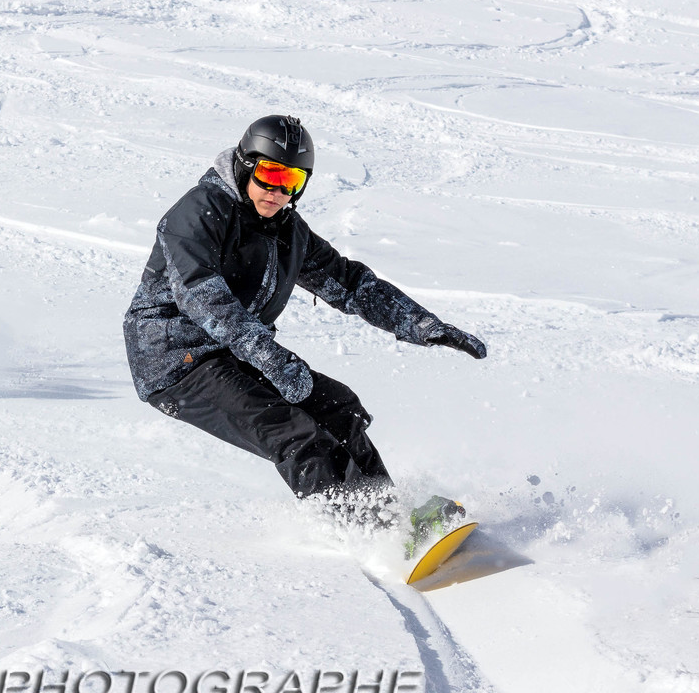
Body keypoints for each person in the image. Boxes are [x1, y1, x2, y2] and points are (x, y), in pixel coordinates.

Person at [123, 114, 486, 523]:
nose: (277, 191)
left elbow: (349, 283)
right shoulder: (201, 211)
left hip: (233, 352)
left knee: (340, 408)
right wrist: (273, 359)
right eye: (270, 173)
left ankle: (388, 513)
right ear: (245, 165)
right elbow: (201, 294)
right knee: (294, 433)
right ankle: (369, 530)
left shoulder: (287, 230)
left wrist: (419, 324)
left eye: (291, 180)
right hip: (176, 359)